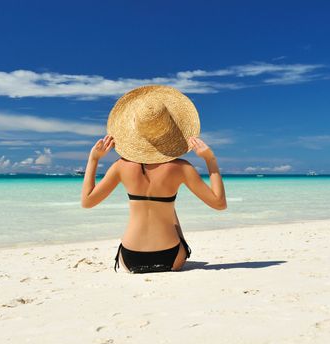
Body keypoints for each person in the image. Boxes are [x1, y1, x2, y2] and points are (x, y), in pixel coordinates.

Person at [81, 85, 227, 273]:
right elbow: (219, 204)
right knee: (169, 211)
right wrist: (210, 160)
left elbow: (87, 201)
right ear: (172, 131)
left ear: (135, 133)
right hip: (171, 257)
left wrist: (93, 159)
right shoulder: (181, 168)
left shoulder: (121, 167)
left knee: (161, 209)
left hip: (130, 257)